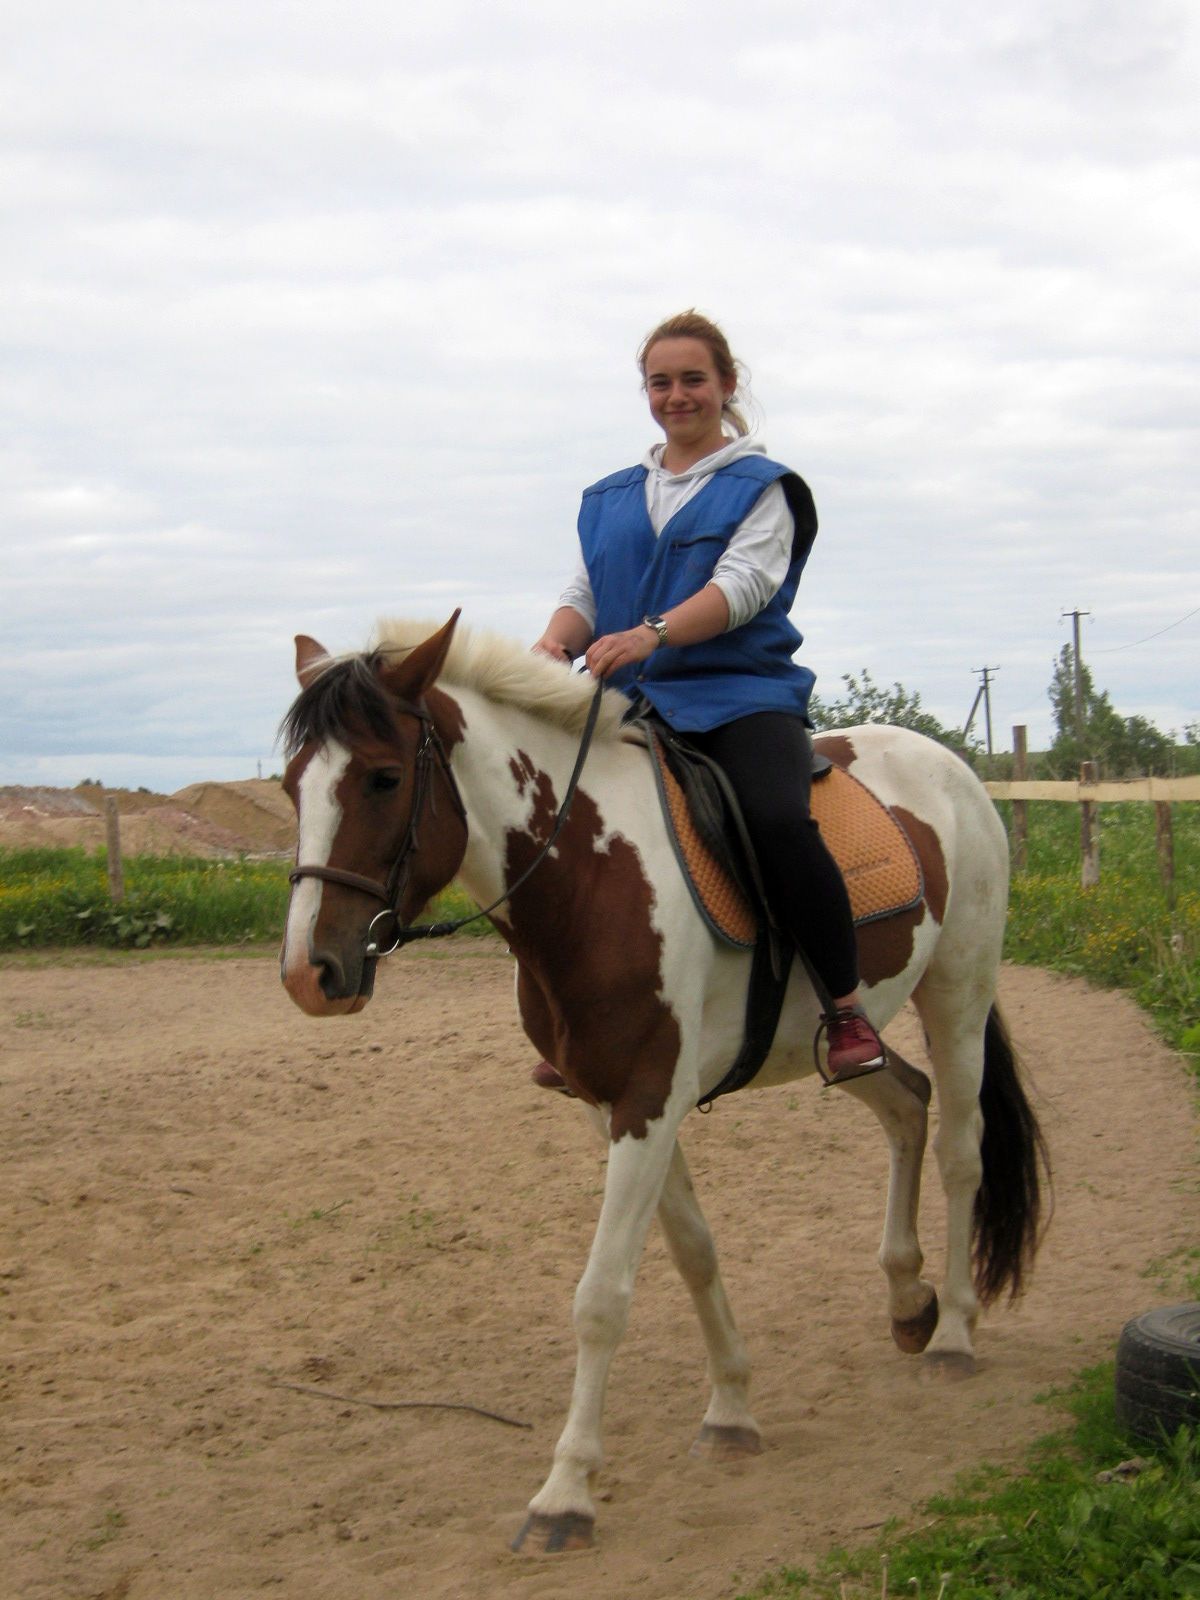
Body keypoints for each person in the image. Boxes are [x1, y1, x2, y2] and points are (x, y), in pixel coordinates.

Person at [531, 310, 885, 1085]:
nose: (677, 396)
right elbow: (585, 590)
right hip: (631, 703)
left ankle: (844, 1005)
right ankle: (585, 1016)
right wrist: (556, 641)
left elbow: (744, 586)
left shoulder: (763, 488)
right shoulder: (610, 496)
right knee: (553, 824)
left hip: (738, 697)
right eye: (660, 382)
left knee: (777, 821)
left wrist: (651, 633)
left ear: (727, 385)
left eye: (693, 379)